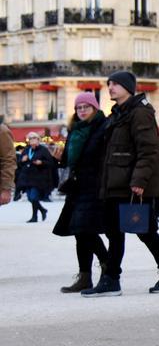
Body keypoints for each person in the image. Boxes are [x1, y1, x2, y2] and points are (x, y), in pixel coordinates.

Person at [84, 70, 159, 296]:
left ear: (128, 87)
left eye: (116, 84)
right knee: (115, 231)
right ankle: (112, 279)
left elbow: (148, 150)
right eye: (109, 83)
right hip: (116, 183)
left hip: (133, 185)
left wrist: (139, 180)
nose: (111, 87)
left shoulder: (140, 112)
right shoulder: (117, 114)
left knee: (144, 231)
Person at [52, 93, 110, 292]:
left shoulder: (103, 127)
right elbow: (71, 160)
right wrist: (59, 159)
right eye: (79, 107)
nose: (82, 110)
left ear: (94, 108)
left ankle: (108, 267)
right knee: (79, 232)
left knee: (86, 230)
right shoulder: (75, 130)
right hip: (76, 187)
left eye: (86, 106)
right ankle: (84, 276)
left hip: (94, 186)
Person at [17, 132, 56, 223]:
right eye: (30, 139)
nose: (32, 140)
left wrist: (41, 162)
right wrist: (22, 160)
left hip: (39, 178)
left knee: (34, 197)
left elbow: (51, 163)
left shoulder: (43, 150)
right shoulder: (27, 150)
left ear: (38, 140)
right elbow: (19, 163)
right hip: (27, 178)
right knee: (30, 198)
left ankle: (34, 217)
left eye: (34, 138)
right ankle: (42, 210)